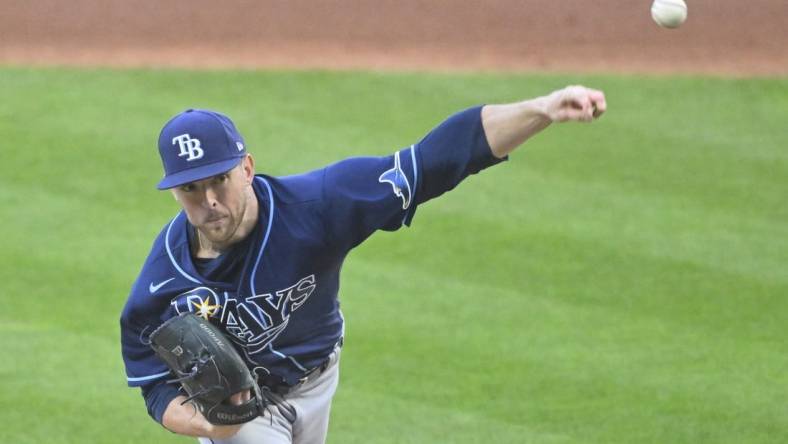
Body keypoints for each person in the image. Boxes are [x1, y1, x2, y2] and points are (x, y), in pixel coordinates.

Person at [120, 85, 607, 443]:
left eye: (218, 180)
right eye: (190, 188)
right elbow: (151, 381)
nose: (209, 201)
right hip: (248, 412)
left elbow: (434, 161)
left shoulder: (319, 206)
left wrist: (542, 109)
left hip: (319, 375)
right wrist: (204, 423)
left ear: (246, 169)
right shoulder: (164, 277)